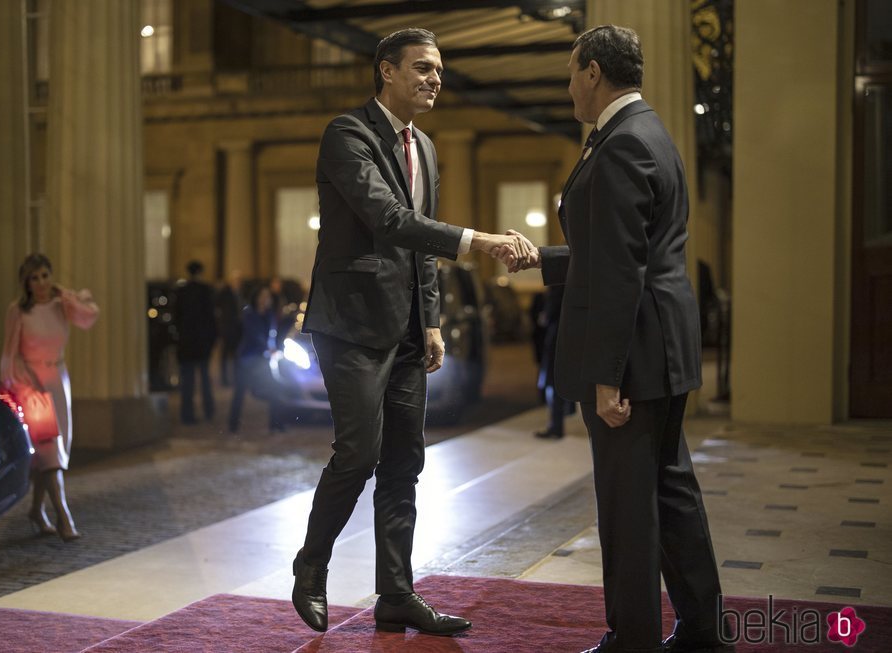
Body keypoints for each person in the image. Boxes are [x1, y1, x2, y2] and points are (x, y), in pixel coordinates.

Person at [291, 27, 530, 637]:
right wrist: (479, 242)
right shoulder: (348, 134)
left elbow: (418, 249)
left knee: (405, 462)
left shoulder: (423, 145)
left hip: (405, 328)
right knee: (360, 453)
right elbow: (391, 219)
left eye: (439, 71)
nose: (434, 79)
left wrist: (431, 321)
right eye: (422, 67)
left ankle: (396, 594)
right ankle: (310, 565)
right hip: (349, 324)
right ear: (386, 71)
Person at [503, 25, 730, 653]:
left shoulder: (621, 145)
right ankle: (704, 631)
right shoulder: (651, 133)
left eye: (573, 72)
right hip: (663, 345)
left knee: (629, 508)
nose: (570, 85)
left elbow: (621, 271)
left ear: (595, 72)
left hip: (632, 353)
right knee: (671, 491)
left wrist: (607, 376)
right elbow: (621, 253)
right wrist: (545, 260)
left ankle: (633, 639)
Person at [2, 253, 99, 542]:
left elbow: (89, 316)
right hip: (32, 386)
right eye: (35, 277)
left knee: (57, 452)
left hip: (58, 381)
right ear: (26, 282)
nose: (41, 282)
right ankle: (63, 516)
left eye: (45, 275)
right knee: (49, 452)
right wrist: (20, 385)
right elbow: (10, 351)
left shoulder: (61, 306)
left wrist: (66, 295)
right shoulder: (18, 310)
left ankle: (35, 510)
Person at [227, 285, 283, 434]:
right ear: (256, 298)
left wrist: (273, 350)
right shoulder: (249, 313)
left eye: (268, 296)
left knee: (275, 389)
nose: (265, 299)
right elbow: (254, 334)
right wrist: (268, 348)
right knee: (240, 392)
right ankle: (233, 425)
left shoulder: (270, 314)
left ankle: (276, 425)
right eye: (262, 296)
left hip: (263, 359)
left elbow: (272, 335)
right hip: (248, 358)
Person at [174, 260, 218, 424]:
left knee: (188, 382)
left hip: (186, 342)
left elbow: (177, 317)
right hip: (201, 342)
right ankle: (209, 410)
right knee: (205, 379)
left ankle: (187, 415)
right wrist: (212, 338)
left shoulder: (182, 291)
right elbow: (210, 317)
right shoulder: (205, 291)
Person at [534, 284, 575, 439]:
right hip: (565, 333)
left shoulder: (558, 283)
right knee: (556, 379)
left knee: (553, 380)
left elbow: (551, 312)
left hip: (556, 334)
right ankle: (558, 422)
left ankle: (556, 425)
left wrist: (545, 315)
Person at [215, 270, 244, 387]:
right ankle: (224, 379)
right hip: (227, 328)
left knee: (236, 355)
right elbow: (218, 307)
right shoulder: (224, 293)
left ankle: (237, 378)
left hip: (237, 328)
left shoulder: (240, 293)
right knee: (225, 355)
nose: (237, 282)